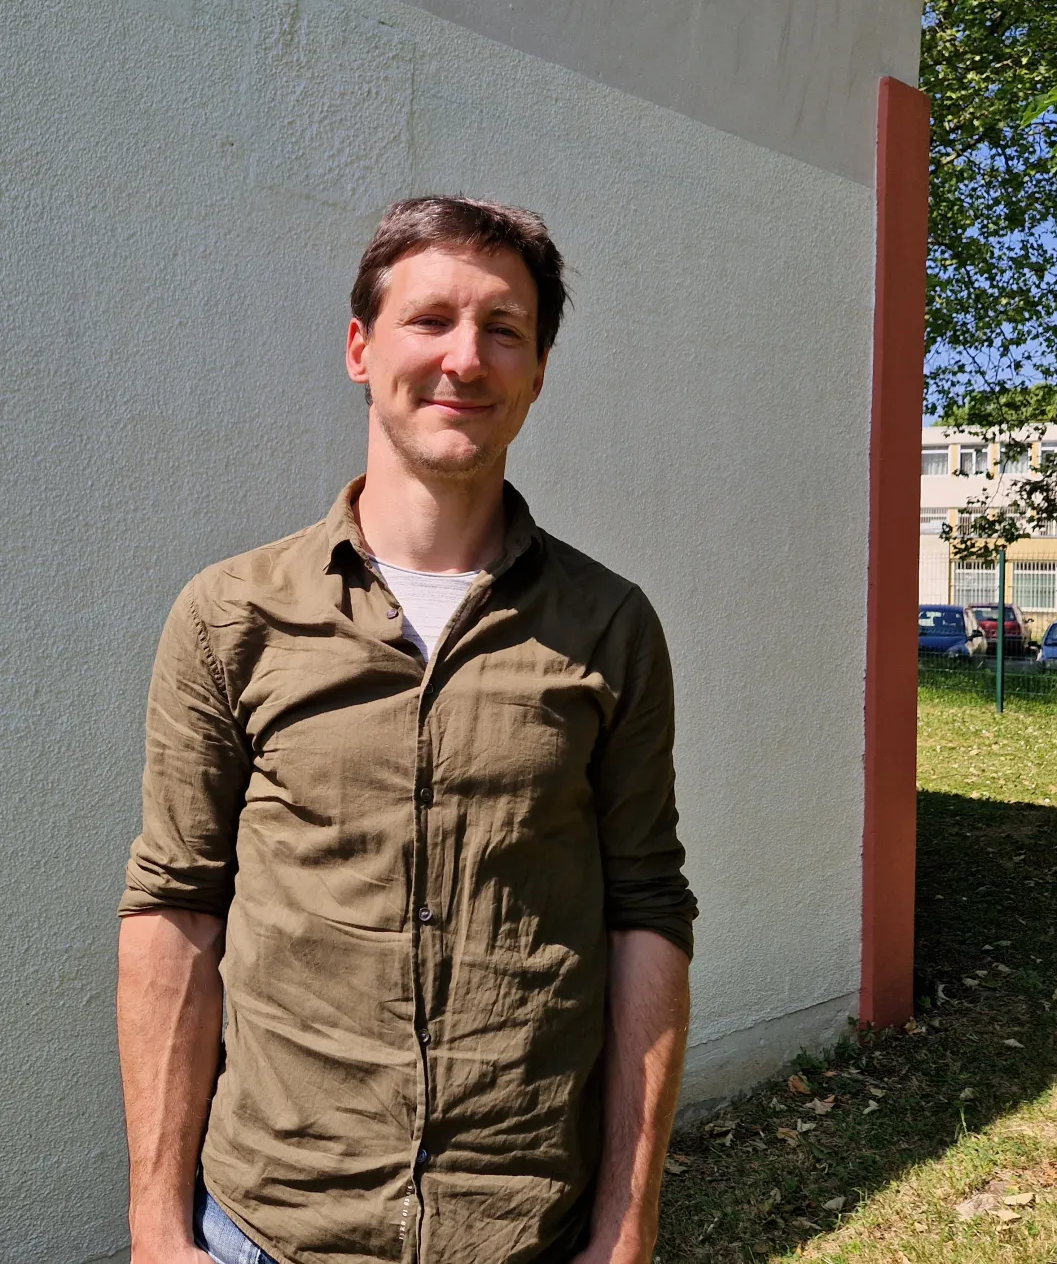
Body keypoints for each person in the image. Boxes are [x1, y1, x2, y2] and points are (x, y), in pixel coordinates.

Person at [117, 195, 698, 1264]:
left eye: (504, 329)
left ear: (538, 371)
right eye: (430, 319)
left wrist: (628, 1227)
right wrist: (156, 1224)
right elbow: (175, 908)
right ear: (360, 347)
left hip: (523, 1225)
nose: (464, 359)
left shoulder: (611, 626)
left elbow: (646, 912)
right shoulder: (231, 616)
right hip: (269, 1228)